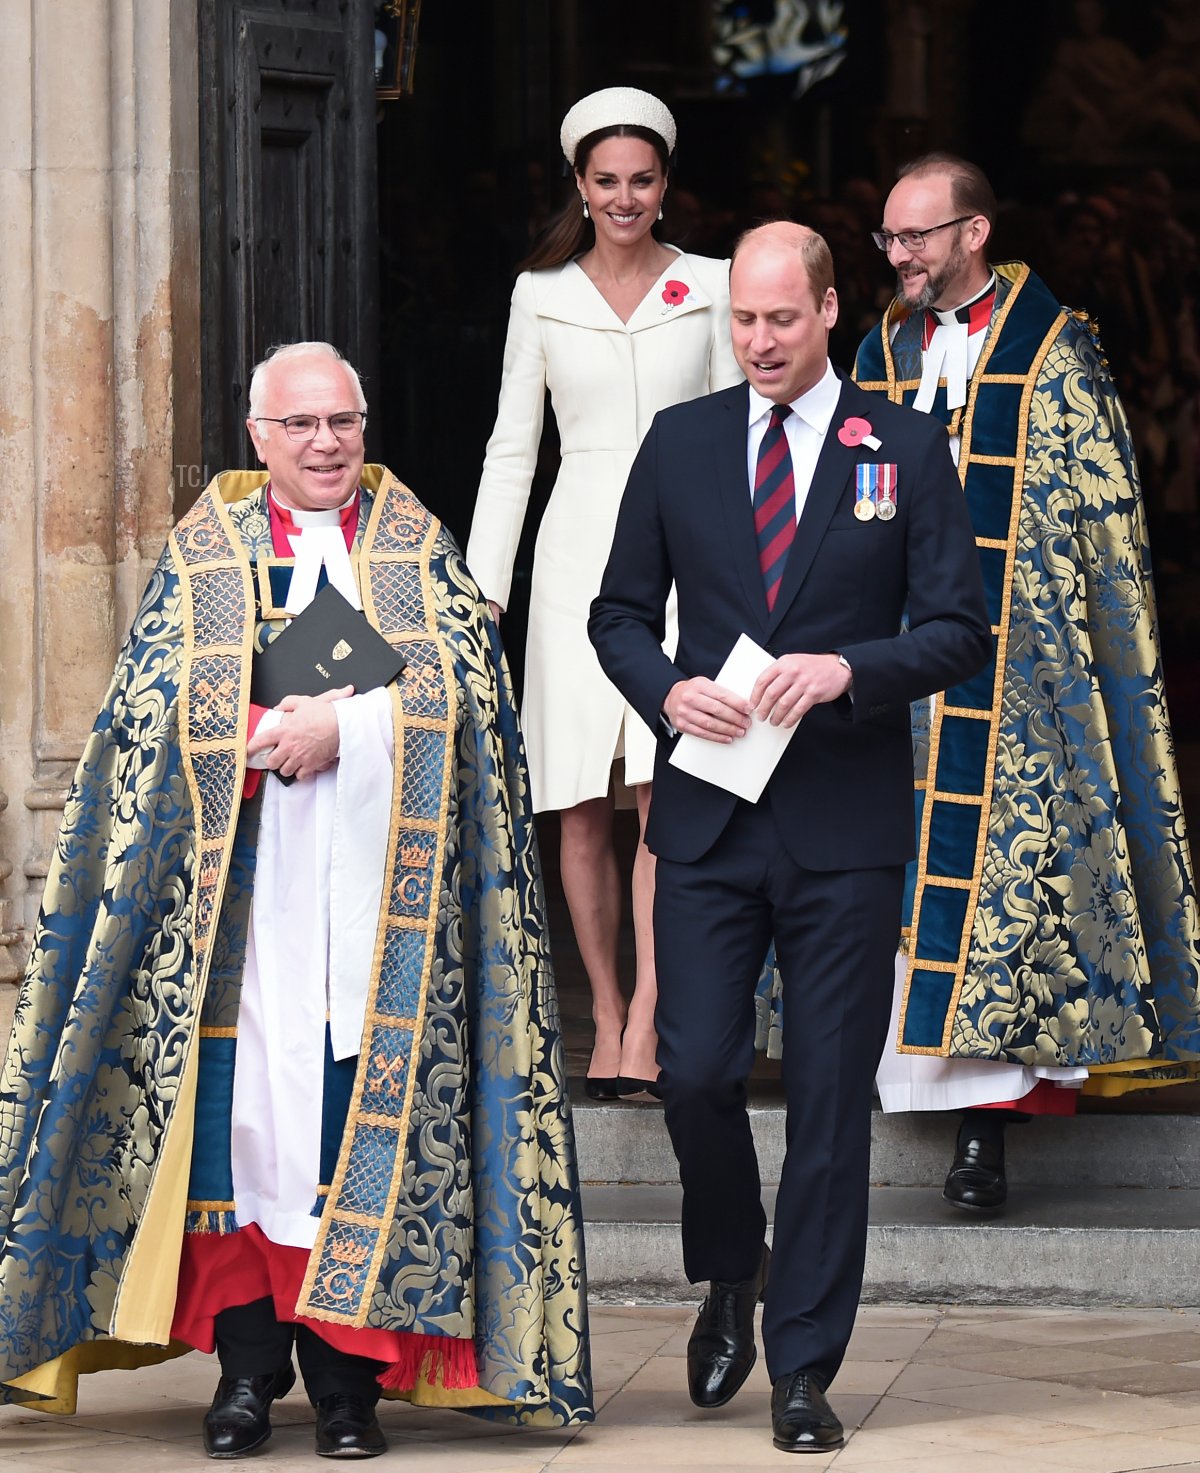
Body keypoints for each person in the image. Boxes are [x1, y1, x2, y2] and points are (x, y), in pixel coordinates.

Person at [0, 342, 593, 1458]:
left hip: (384, 911)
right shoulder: (206, 557)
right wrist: (252, 732)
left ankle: (347, 1389)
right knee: (238, 1140)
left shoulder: (418, 550)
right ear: (258, 437)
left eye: (344, 423)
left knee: (348, 1136)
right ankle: (244, 1375)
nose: (327, 445)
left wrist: (350, 729)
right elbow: (144, 712)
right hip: (242, 913)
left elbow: (473, 703)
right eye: (303, 426)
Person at [588, 222, 990, 1454]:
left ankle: (805, 1366)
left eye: (779, 319)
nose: (757, 341)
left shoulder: (904, 447)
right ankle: (732, 1270)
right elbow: (615, 615)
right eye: (742, 322)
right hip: (707, 816)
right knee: (697, 1070)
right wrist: (665, 690)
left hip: (845, 828)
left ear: (827, 311)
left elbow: (958, 631)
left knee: (826, 1103)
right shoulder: (684, 442)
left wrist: (846, 671)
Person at [855, 153, 1200, 1214]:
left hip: (1016, 674)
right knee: (896, 886)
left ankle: (984, 1138)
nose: (900, 256)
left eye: (916, 237)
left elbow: (1098, 528)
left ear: (974, 233)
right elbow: (857, 491)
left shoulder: (1056, 352)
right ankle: (898, 1093)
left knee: (1007, 898)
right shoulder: (877, 348)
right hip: (895, 671)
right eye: (888, 240)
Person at [466, 87, 743, 1101]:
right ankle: (608, 1008)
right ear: (579, 186)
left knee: (665, 794)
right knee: (578, 802)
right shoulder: (540, 294)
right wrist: (484, 592)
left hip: (691, 557)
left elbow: (738, 434)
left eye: (642, 179)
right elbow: (509, 451)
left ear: (665, 186)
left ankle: (658, 1017)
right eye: (606, 180)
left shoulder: (713, 286)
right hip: (578, 551)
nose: (624, 197)